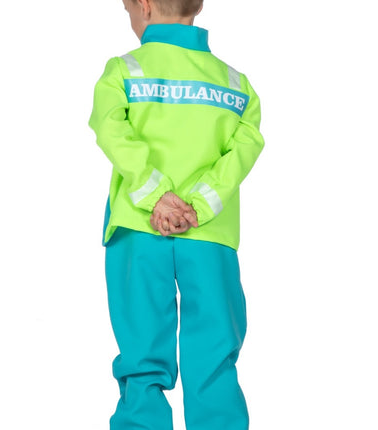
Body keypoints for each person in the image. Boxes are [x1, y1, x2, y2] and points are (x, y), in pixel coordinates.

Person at [88, 0, 265, 429]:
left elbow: (111, 131)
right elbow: (242, 153)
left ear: (144, 5)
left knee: (142, 351)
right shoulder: (236, 85)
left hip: (138, 228)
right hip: (209, 235)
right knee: (215, 351)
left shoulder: (123, 71)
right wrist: (197, 206)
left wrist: (157, 196)